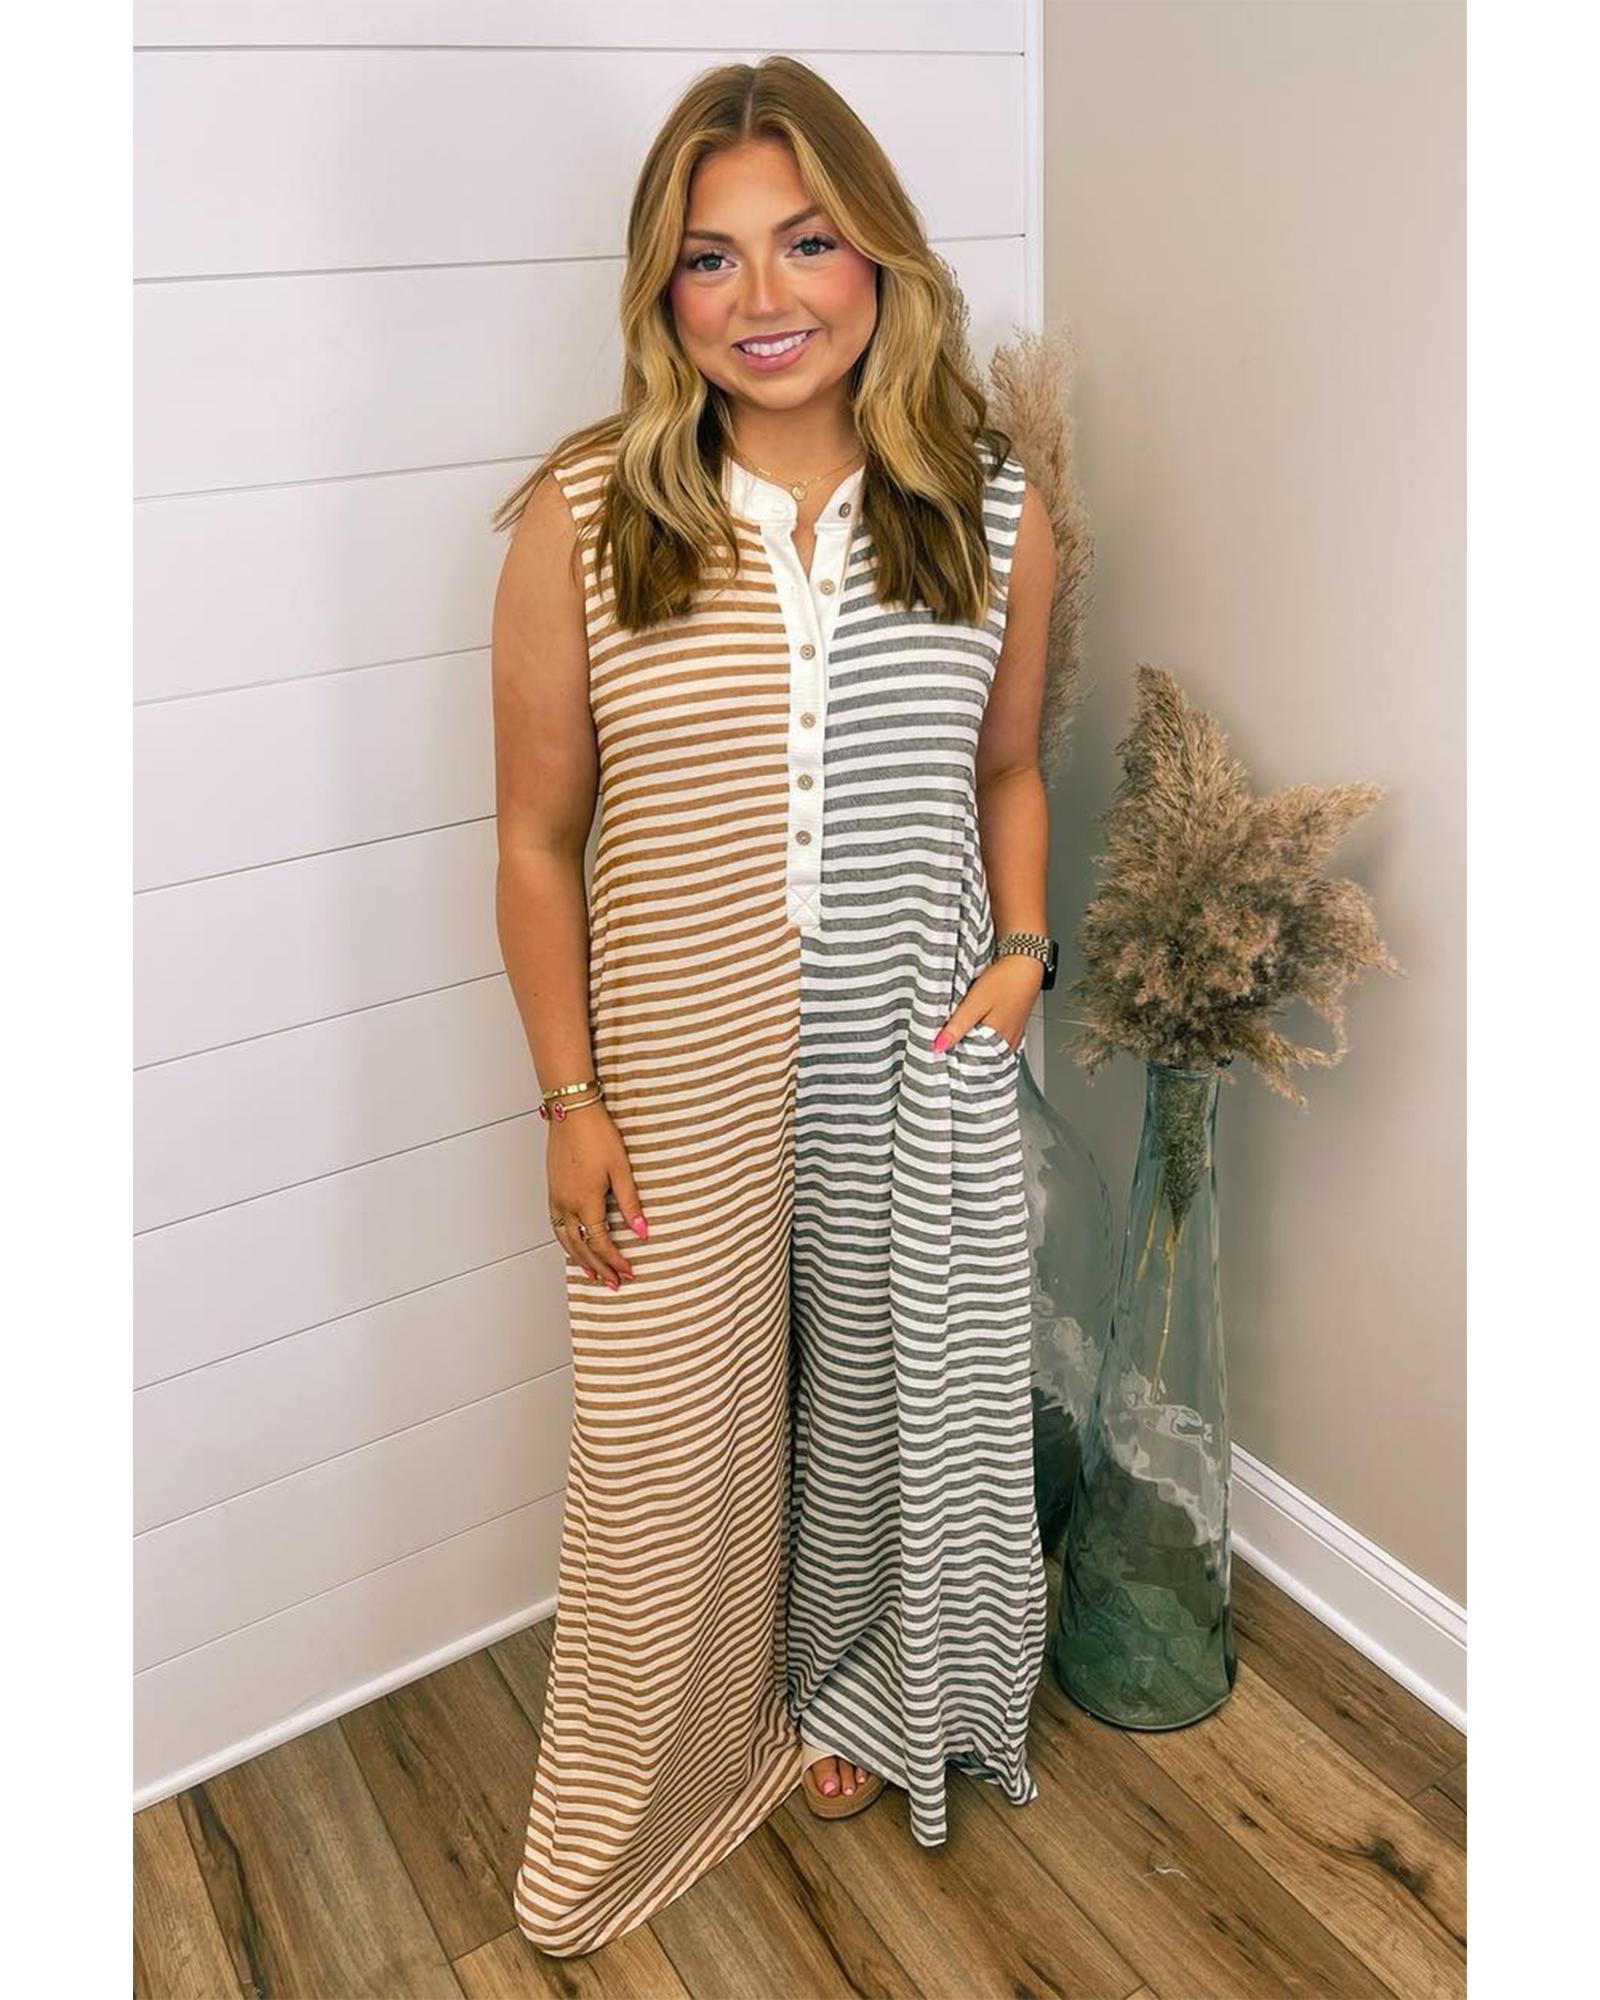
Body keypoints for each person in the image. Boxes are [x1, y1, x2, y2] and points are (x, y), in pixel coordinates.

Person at [490, 54, 1056, 1959]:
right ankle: (661, 1765)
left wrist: (1023, 953)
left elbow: (1006, 768)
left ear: (882, 252)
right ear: (660, 291)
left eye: (808, 242)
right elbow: (536, 839)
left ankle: (868, 1689)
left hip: (913, 1043)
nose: (764, 299)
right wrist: (569, 1098)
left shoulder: (989, 509)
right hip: (675, 1071)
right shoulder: (584, 518)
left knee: (893, 1394)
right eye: (709, 257)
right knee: (669, 1441)